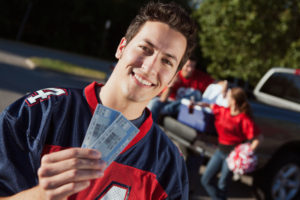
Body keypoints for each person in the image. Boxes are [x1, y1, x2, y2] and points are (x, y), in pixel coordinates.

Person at [0, 2, 197, 200]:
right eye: (146, 48)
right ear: (122, 47)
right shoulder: (43, 111)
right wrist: (41, 196)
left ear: (172, 78)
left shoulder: (168, 162)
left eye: (167, 61)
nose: (150, 67)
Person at [199, 87, 263, 200]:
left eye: (228, 96)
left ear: (233, 100)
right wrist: (196, 104)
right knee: (206, 179)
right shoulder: (223, 111)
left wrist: (247, 153)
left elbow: (259, 138)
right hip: (220, 151)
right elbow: (210, 105)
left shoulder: (243, 119)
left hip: (232, 155)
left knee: (222, 184)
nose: (226, 98)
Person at [147, 57, 215, 122]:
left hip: (183, 107)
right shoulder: (174, 74)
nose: (190, 69)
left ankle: (162, 112)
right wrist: (171, 85)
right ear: (182, 65)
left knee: (196, 94)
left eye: (192, 66)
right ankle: (149, 128)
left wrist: (224, 83)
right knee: (154, 103)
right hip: (169, 104)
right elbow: (162, 100)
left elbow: (215, 82)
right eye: (187, 66)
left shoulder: (199, 77)